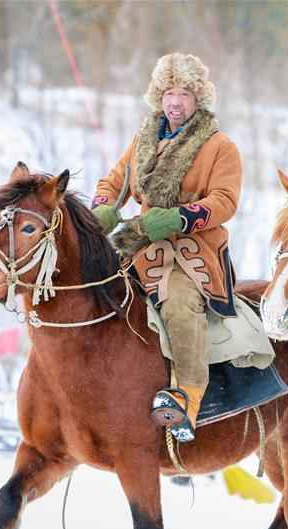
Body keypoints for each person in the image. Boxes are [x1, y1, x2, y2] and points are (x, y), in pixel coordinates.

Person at [91, 52, 242, 443]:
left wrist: (181, 218)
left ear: (199, 100)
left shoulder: (220, 146)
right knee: (93, 287)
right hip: (140, 244)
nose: (175, 101)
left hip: (190, 252)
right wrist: (103, 208)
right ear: (158, 96)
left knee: (177, 302)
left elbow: (225, 200)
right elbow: (113, 182)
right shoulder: (144, 140)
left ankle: (188, 398)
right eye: (169, 92)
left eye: (185, 94)